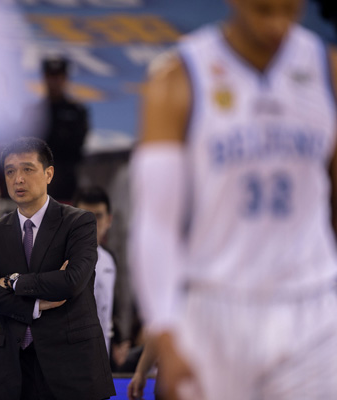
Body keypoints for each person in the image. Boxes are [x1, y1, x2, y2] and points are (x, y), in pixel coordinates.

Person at [129, 0, 337, 399]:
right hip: (214, 304)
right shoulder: (178, 78)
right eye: (264, 9)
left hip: (312, 304)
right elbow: (156, 222)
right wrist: (164, 327)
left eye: (289, 9)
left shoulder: (327, 71)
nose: (277, 24)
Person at [0, 137, 115, 400]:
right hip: (12, 369)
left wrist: (13, 282)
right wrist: (34, 306)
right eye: (10, 171)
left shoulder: (79, 222)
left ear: (49, 173)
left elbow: (72, 281)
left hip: (70, 367)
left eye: (27, 169)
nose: (18, 179)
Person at [32, 56, 90, 202]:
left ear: (65, 79)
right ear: (44, 78)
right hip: (37, 183)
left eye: (58, 77)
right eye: (51, 76)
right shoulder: (33, 112)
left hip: (67, 183)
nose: (55, 81)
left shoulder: (77, 111)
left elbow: (77, 146)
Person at [73, 186, 117, 355]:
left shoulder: (109, 261)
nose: (91, 223)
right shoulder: (55, 257)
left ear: (109, 220)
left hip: (100, 359)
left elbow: (106, 314)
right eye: (84, 216)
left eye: (98, 216)